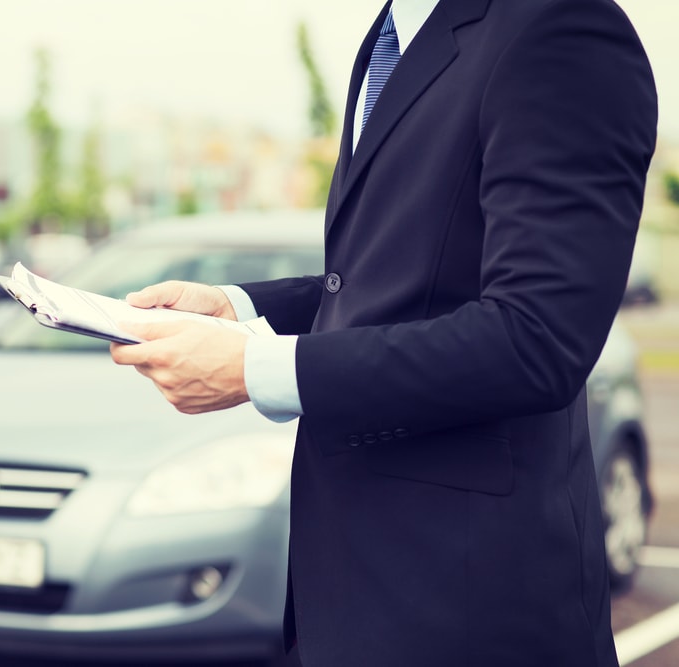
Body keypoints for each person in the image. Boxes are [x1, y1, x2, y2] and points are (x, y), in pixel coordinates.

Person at [110, 0, 658, 664]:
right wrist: (236, 306)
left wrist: (255, 369)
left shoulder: (563, 27)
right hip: (352, 596)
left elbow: (536, 338)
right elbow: (391, 281)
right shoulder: (392, 37)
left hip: (467, 614)